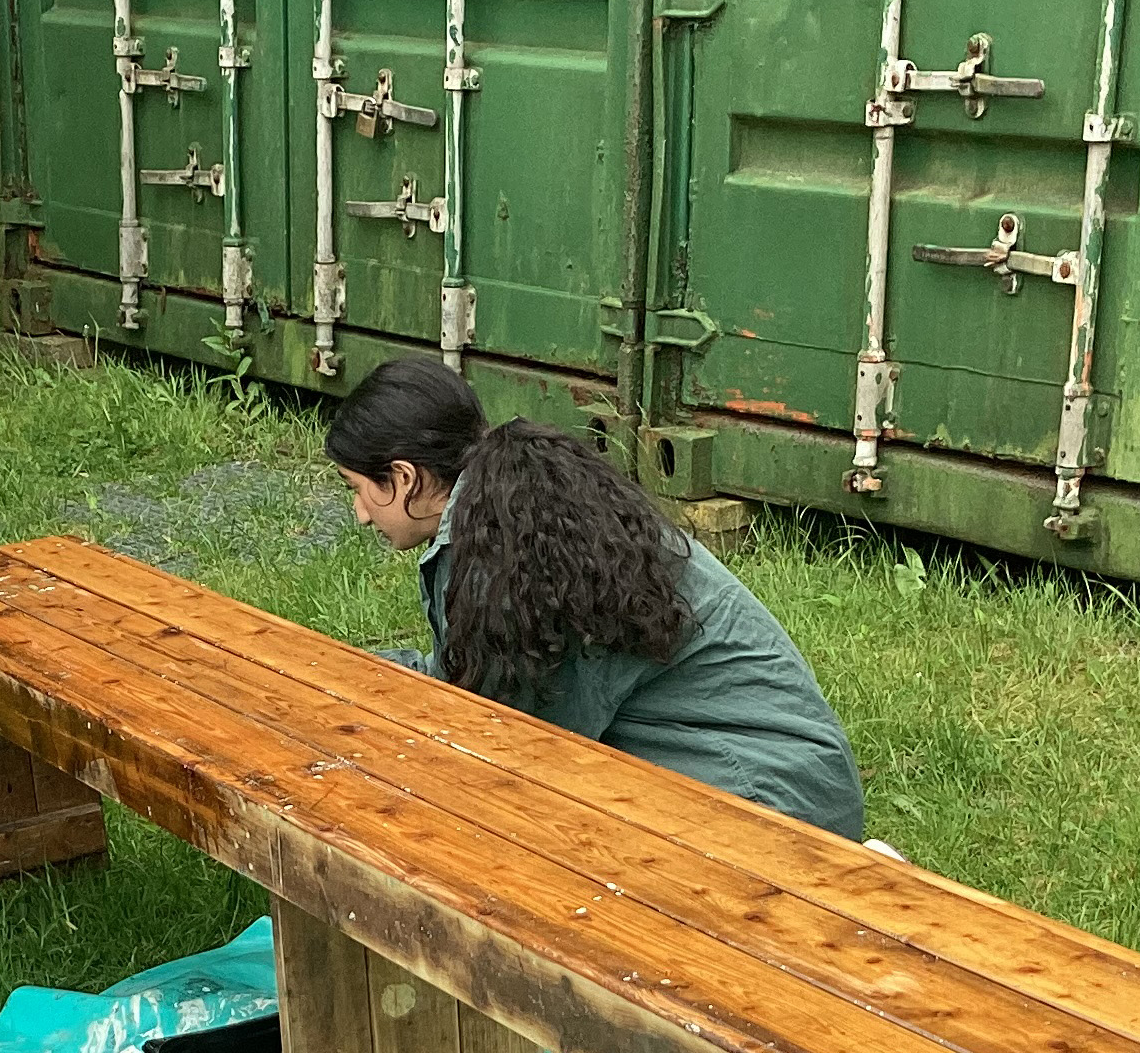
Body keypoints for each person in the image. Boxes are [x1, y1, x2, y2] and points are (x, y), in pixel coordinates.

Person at [325, 358, 868, 839]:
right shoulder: (513, 510)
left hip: (771, 805)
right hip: (783, 778)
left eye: (356, 489)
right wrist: (344, 676)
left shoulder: (513, 552)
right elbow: (472, 686)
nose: (360, 513)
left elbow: (515, 746)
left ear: (404, 477)